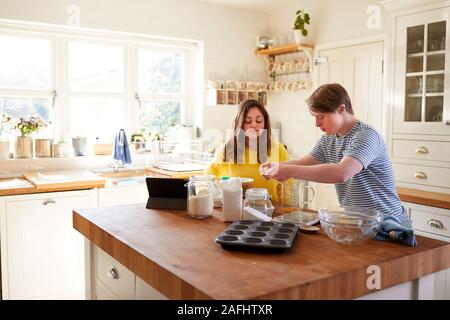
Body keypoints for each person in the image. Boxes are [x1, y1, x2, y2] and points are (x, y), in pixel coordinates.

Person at [261, 83, 409, 221]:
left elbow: (341, 173)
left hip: (389, 222)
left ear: (341, 109)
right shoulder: (329, 140)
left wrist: (288, 171)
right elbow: (303, 162)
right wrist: (276, 166)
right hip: (358, 222)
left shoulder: (366, 136)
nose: (317, 123)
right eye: (315, 117)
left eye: (321, 116)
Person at [205, 99, 289, 203]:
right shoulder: (227, 149)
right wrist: (219, 190)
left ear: (265, 123)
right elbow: (209, 174)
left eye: (259, 121)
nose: (254, 125)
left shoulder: (278, 148)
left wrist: (286, 209)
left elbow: (288, 185)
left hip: (269, 211)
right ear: (239, 123)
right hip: (235, 209)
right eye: (247, 121)